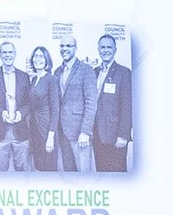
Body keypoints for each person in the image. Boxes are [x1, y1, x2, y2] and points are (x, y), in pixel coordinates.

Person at [53, 33, 98, 175]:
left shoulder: (86, 70)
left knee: (84, 175)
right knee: (67, 176)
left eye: (68, 46)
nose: (64, 49)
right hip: (62, 133)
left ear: (75, 48)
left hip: (79, 134)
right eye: (62, 46)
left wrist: (85, 132)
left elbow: (91, 103)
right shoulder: (57, 71)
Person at [90, 32, 133, 173]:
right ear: (98, 49)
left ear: (115, 50)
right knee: (101, 173)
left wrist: (124, 135)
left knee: (117, 173)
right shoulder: (93, 72)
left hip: (116, 136)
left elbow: (127, 106)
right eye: (102, 47)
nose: (105, 50)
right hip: (97, 134)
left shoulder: (124, 73)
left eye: (109, 47)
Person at [0, 40, 35, 172]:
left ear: (15, 54)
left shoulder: (24, 76)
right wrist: (1, 113)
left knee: (23, 174)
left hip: (20, 132)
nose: (7, 55)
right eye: (4, 52)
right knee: (1, 173)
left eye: (10, 52)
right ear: (0, 54)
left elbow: (29, 102)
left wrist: (21, 113)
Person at [26, 45, 61, 173]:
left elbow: (55, 109)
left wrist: (50, 136)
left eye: (41, 56)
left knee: (49, 169)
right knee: (39, 167)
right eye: (35, 56)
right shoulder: (34, 79)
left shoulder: (51, 79)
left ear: (46, 59)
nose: (37, 59)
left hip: (46, 130)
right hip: (34, 130)